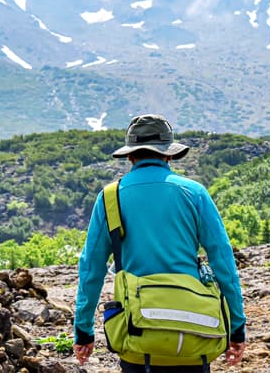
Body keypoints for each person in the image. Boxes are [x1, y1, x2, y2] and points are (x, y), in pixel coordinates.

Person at [73, 114, 247, 372]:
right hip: (194, 330)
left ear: (130, 156)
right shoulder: (195, 193)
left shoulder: (110, 198)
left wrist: (84, 330)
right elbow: (223, 263)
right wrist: (236, 326)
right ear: (169, 154)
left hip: (138, 333)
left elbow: (91, 270)